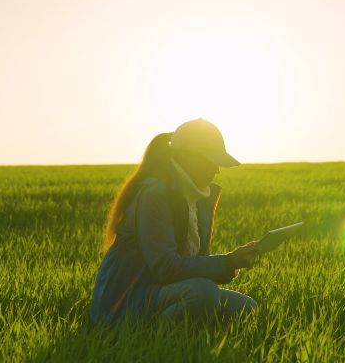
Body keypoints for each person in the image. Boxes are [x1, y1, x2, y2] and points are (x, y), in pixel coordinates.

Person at [89, 118, 260, 327]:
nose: (217, 170)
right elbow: (165, 267)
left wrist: (230, 262)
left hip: (161, 291)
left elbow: (195, 262)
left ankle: (193, 335)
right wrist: (229, 261)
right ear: (187, 158)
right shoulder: (155, 195)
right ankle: (150, 340)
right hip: (127, 302)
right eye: (210, 161)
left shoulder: (198, 198)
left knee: (246, 307)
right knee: (204, 293)